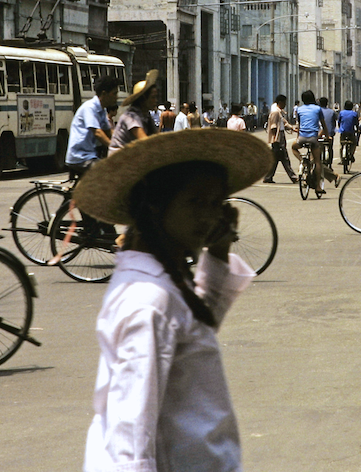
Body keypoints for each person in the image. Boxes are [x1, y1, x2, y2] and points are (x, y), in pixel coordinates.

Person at [74, 128, 272, 472]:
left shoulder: (160, 277)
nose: (209, 217)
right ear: (156, 204)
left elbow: (196, 325)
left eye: (215, 204)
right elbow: (131, 429)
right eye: (195, 202)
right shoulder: (149, 301)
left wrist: (218, 252)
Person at [66, 76, 120, 177]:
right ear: (104, 94)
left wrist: (123, 143)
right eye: (114, 93)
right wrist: (114, 147)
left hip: (89, 155)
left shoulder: (102, 110)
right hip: (80, 157)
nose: (117, 97)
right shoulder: (90, 108)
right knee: (109, 173)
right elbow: (98, 133)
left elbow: (108, 131)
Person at [291, 89, 339, 196]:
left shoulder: (299, 109)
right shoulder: (317, 109)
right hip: (313, 138)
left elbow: (299, 125)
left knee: (293, 147)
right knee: (317, 161)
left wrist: (298, 137)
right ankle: (317, 186)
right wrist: (327, 136)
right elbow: (324, 125)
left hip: (302, 138)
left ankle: (302, 161)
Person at [109, 70, 159, 153]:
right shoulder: (131, 116)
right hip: (119, 157)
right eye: (153, 97)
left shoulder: (146, 116)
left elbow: (156, 138)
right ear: (143, 99)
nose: (156, 100)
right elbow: (145, 141)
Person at [263, 94, 298, 183]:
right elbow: (273, 126)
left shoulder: (278, 112)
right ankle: (293, 177)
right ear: (280, 102)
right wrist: (276, 139)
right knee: (284, 158)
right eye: (284, 103)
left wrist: (292, 128)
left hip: (280, 136)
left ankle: (268, 177)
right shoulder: (275, 112)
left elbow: (283, 122)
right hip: (278, 137)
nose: (285, 105)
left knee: (275, 159)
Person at [319, 97, 336, 166]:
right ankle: (330, 164)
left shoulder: (317, 111)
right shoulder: (332, 112)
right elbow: (334, 123)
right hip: (329, 133)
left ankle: (320, 163)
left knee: (320, 148)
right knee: (330, 148)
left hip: (319, 133)